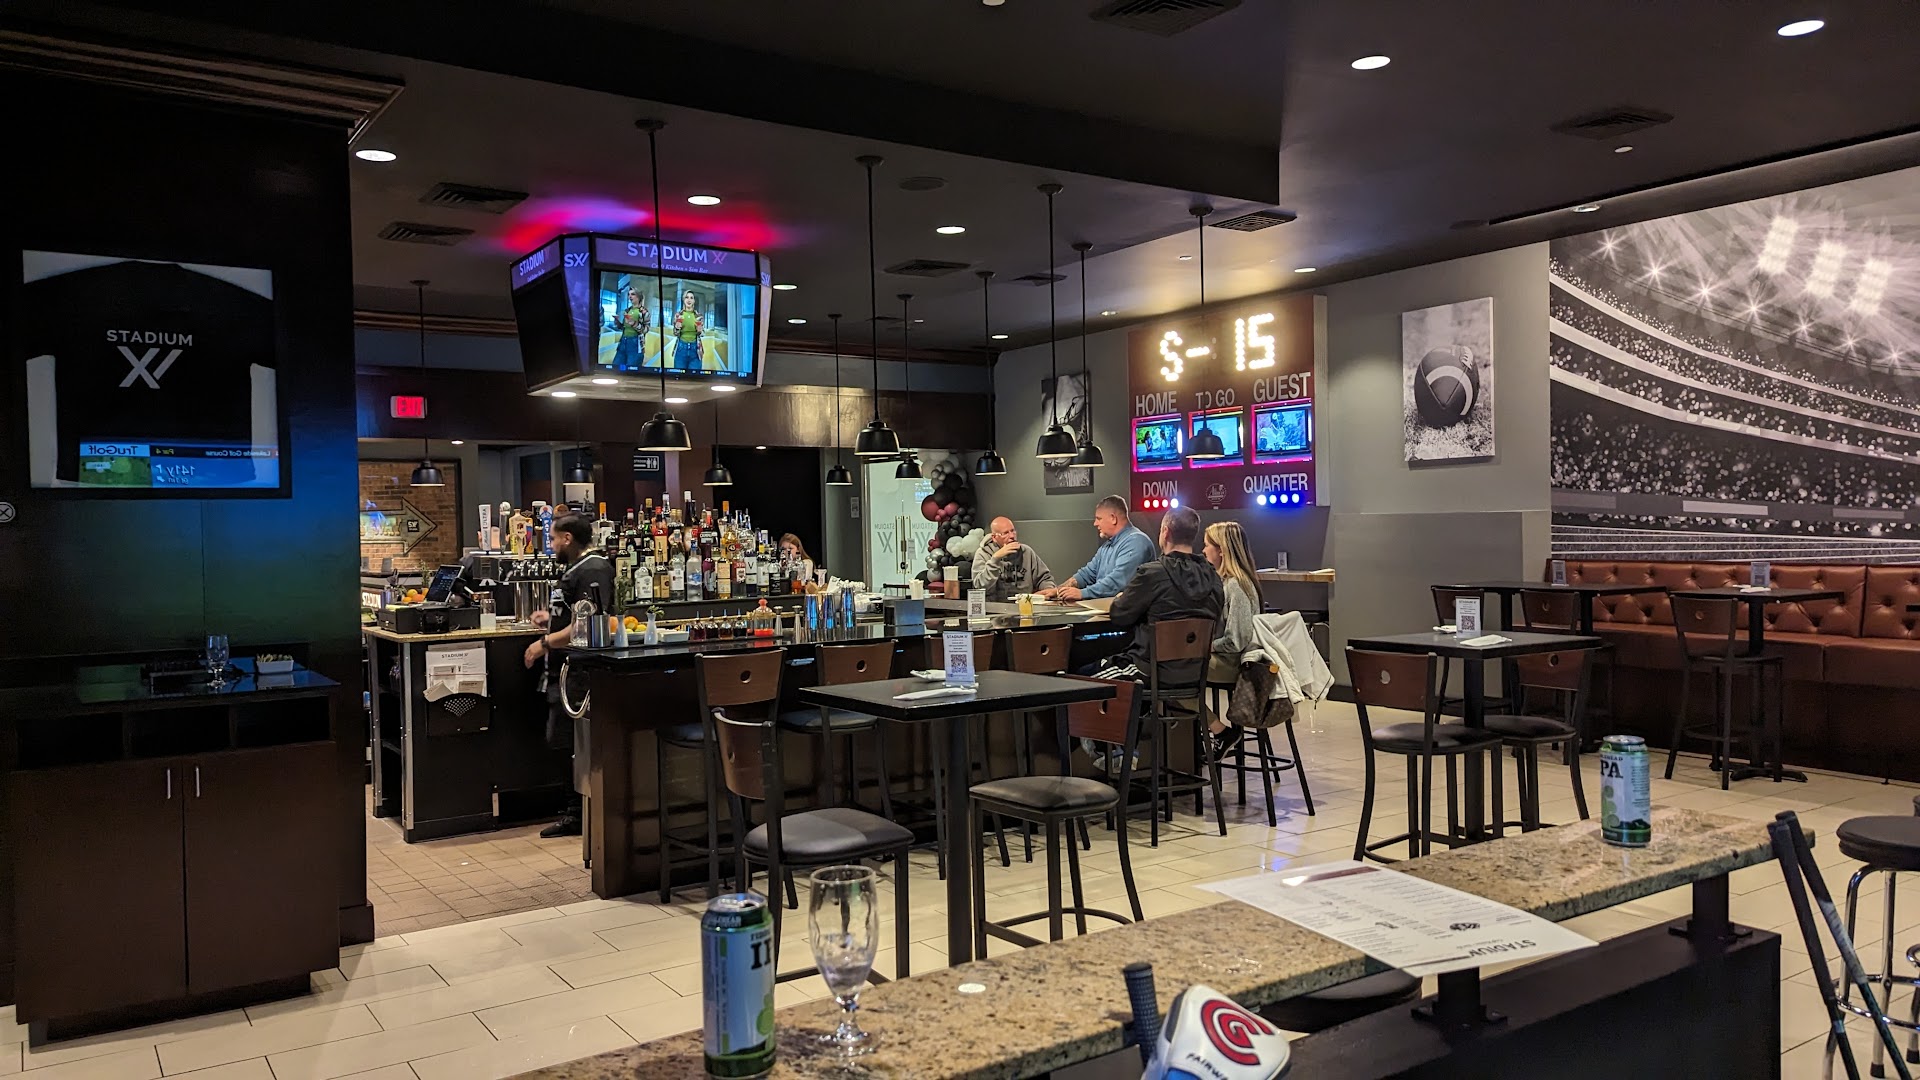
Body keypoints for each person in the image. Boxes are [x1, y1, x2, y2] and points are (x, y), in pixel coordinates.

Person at [1081, 506, 1223, 769]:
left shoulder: (1151, 573)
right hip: (1194, 673)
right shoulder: (1213, 578)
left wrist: (1124, 599)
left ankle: (1116, 754)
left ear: (1165, 532)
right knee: (1122, 678)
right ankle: (1130, 751)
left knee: (1084, 681)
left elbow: (1120, 614)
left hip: (1150, 670)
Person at [522, 513, 616, 838]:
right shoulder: (579, 568)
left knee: (572, 742)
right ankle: (575, 811)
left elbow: (586, 624)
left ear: (567, 538)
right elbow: (574, 613)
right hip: (566, 670)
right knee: (562, 740)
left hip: (580, 670)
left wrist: (544, 643)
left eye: (552, 538)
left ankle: (578, 814)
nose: (550, 545)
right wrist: (551, 617)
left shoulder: (593, 568)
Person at [1202, 521, 1261, 759]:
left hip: (1234, 664)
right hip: (1226, 659)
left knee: (1173, 675)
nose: (1203, 551)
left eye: (1207, 545)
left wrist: (1206, 646)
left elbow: (1236, 640)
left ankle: (1219, 731)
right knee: (1174, 675)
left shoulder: (1236, 586)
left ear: (1221, 551)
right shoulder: (1226, 582)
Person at [1042, 495, 1155, 602]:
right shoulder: (1106, 546)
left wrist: (1083, 593)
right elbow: (1087, 574)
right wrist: (1058, 591)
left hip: (1131, 614)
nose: (1095, 523)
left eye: (1098, 518)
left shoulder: (1136, 542)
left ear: (1113, 518)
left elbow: (1118, 581)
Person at [972, 516, 1055, 601]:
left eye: (1013, 531)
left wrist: (1049, 589)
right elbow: (979, 587)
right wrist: (995, 559)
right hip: (994, 606)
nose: (1012, 536)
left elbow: (1044, 578)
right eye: (1005, 533)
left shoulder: (1026, 552)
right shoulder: (984, 553)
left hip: (1024, 604)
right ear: (994, 537)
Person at [611, 285, 650, 370]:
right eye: (629, 294)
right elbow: (624, 328)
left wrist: (635, 324)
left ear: (638, 296)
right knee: (615, 367)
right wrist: (617, 322)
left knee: (632, 369)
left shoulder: (644, 312)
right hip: (623, 341)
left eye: (633, 294)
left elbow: (646, 329)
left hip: (635, 343)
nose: (630, 296)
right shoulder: (627, 310)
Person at [670, 288, 704, 371]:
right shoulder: (678, 315)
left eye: (691, 298)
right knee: (679, 375)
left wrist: (700, 331)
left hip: (695, 350)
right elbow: (675, 333)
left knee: (694, 376)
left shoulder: (699, 316)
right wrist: (677, 328)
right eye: (687, 297)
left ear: (694, 301)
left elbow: (702, 333)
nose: (689, 300)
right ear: (684, 300)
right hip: (681, 348)